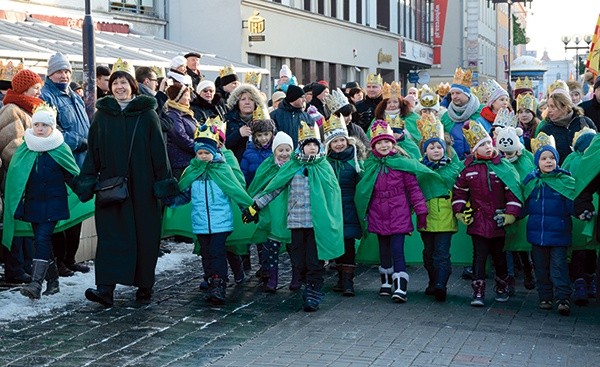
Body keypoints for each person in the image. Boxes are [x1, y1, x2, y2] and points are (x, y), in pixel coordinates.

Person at [76, 59, 179, 307]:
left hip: (143, 188)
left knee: (144, 236)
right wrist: (88, 179)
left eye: (124, 82)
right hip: (112, 187)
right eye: (115, 83)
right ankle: (105, 289)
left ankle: (144, 285)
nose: (119, 87)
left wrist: (163, 184)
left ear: (133, 86)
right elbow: (94, 153)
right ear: (109, 87)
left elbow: (159, 153)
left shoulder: (147, 115)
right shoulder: (102, 116)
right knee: (111, 236)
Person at [245, 122, 344, 312]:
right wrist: (255, 206)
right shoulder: (292, 167)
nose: (312, 147)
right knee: (299, 260)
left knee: (314, 260)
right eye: (308, 144)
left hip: (317, 224)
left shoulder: (324, 166)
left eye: (315, 144)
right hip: (297, 222)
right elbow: (275, 187)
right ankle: (307, 285)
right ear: (301, 146)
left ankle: (313, 291)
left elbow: (333, 194)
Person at [166, 124, 254, 304]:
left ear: (214, 152)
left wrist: (248, 207)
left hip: (221, 222)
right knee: (206, 254)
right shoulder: (192, 172)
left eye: (207, 152)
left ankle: (218, 284)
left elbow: (234, 190)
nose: (204, 156)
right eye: (200, 153)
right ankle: (210, 277)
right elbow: (184, 194)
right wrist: (170, 199)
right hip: (200, 222)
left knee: (217, 252)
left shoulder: (222, 169)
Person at [2, 103, 80, 299]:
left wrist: (86, 190)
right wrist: (17, 203)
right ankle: (53, 282)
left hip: (54, 203)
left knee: (42, 238)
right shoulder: (25, 149)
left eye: (44, 125)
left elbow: (71, 175)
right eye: (36, 125)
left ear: (52, 127)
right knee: (42, 242)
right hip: (34, 204)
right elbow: (16, 179)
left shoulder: (60, 148)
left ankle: (36, 284)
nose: (40, 129)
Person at [355, 120, 429, 303]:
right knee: (384, 249)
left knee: (397, 249)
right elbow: (365, 190)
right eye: (379, 143)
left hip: (399, 213)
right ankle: (386, 282)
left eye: (387, 142)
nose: (384, 145)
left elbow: (413, 189)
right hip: (378, 213)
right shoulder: (370, 165)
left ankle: (400, 286)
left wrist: (421, 211)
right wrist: (363, 212)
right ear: (374, 146)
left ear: (393, 143)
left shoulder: (402, 164)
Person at [452, 120, 523, 307]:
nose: (488, 147)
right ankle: (478, 289)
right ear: (475, 150)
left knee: (499, 257)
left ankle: (501, 286)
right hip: (478, 220)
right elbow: (459, 192)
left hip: (499, 220)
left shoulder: (503, 167)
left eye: (489, 143)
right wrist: (460, 212)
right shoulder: (467, 170)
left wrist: (511, 213)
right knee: (479, 256)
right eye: (482, 145)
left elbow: (513, 191)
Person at [40, 52, 90, 276]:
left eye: (67, 71)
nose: (64, 75)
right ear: (50, 74)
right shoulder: (46, 96)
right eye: (59, 71)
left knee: (76, 212)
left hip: (79, 163)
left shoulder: (74, 96)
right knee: (61, 214)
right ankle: (59, 260)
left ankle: (70, 258)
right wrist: (78, 141)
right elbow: (50, 130)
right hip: (60, 163)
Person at [523, 132, 576, 316]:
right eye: (544, 158)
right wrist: (509, 213)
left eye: (552, 158)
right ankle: (545, 297)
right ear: (537, 161)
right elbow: (524, 206)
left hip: (559, 235)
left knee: (559, 267)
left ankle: (563, 298)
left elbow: (572, 204)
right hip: (537, 236)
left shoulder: (564, 181)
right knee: (541, 268)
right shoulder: (532, 182)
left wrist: (581, 211)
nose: (548, 161)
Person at [0, 68, 44, 284]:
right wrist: (30, 164)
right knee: (16, 222)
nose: (38, 92)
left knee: (26, 222)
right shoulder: (12, 110)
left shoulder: (30, 109)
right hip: (16, 176)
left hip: (27, 175)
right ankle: (15, 268)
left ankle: (25, 265)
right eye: (35, 87)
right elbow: (11, 147)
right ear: (24, 88)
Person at [416, 113, 462, 302]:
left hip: (445, 215)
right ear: (425, 151)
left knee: (442, 253)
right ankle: (432, 281)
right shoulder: (419, 168)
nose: (436, 150)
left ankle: (441, 284)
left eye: (439, 147)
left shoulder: (453, 167)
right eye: (431, 147)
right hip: (426, 216)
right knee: (428, 253)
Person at [493, 110, 537, 294]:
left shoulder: (525, 158)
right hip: (499, 204)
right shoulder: (495, 158)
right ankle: (508, 278)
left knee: (520, 244)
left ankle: (528, 269)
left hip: (520, 207)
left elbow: (529, 178)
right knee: (504, 245)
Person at [246, 132, 294, 292]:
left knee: (293, 248)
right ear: (274, 151)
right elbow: (261, 187)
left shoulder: (296, 167)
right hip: (272, 213)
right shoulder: (268, 166)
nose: (284, 153)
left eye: (288, 150)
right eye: (280, 150)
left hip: (291, 213)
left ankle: (296, 277)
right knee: (271, 247)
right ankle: (272, 277)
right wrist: (253, 206)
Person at [323, 114, 364, 296]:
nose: (339, 144)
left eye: (341, 140)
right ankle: (340, 278)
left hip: (349, 207)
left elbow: (363, 184)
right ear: (329, 145)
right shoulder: (326, 163)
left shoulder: (355, 161)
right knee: (336, 243)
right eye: (334, 142)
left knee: (348, 243)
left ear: (347, 141)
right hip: (332, 208)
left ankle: (348, 281)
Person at [561, 128, 598, 306]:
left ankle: (585, 281)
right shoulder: (579, 162)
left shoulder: (579, 161)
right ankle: (583, 282)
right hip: (584, 213)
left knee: (585, 252)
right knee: (583, 251)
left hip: (585, 213)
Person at [539, 86, 596, 165]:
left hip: (586, 170)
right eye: (548, 106)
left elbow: (596, 146)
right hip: (560, 174)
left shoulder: (584, 122)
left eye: (553, 107)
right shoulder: (546, 129)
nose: (549, 110)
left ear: (565, 107)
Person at [440, 68, 484, 160]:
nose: (454, 96)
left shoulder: (482, 112)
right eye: (452, 93)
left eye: (458, 93)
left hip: (479, 161)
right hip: (456, 163)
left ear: (467, 94)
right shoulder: (446, 116)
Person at [370, 82, 421, 159]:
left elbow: (419, 139)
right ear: (384, 104)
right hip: (383, 155)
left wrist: (402, 137)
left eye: (395, 102)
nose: (392, 105)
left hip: (408, 153)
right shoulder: (377, 119)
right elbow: (369, 139)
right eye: (389, 102)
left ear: (400, 103)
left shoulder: (412, 117)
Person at [224, 83, 266, 162]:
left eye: (251, 99)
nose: (247, 102)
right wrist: (238, 133)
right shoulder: (228, 120)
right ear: (237, 102)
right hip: (236, 164)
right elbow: (224, 145)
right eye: (243, 99)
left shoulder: (265, 120)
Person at [165, 81, 197, 179]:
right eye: (186, 95)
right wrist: (198, 147)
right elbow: (180, 136)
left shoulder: (185, 113)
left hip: (188, 160)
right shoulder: (173, 114)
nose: (189, 98)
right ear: (178, 98)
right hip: (181, 164)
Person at [240, 106, 275, 186]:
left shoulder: (276, 150)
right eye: (259, 135)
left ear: (271, 134)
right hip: (254, 189)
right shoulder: (248, 153)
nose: (263, 138)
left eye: (266, 134)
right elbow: (244, 175)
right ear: (254, 136)